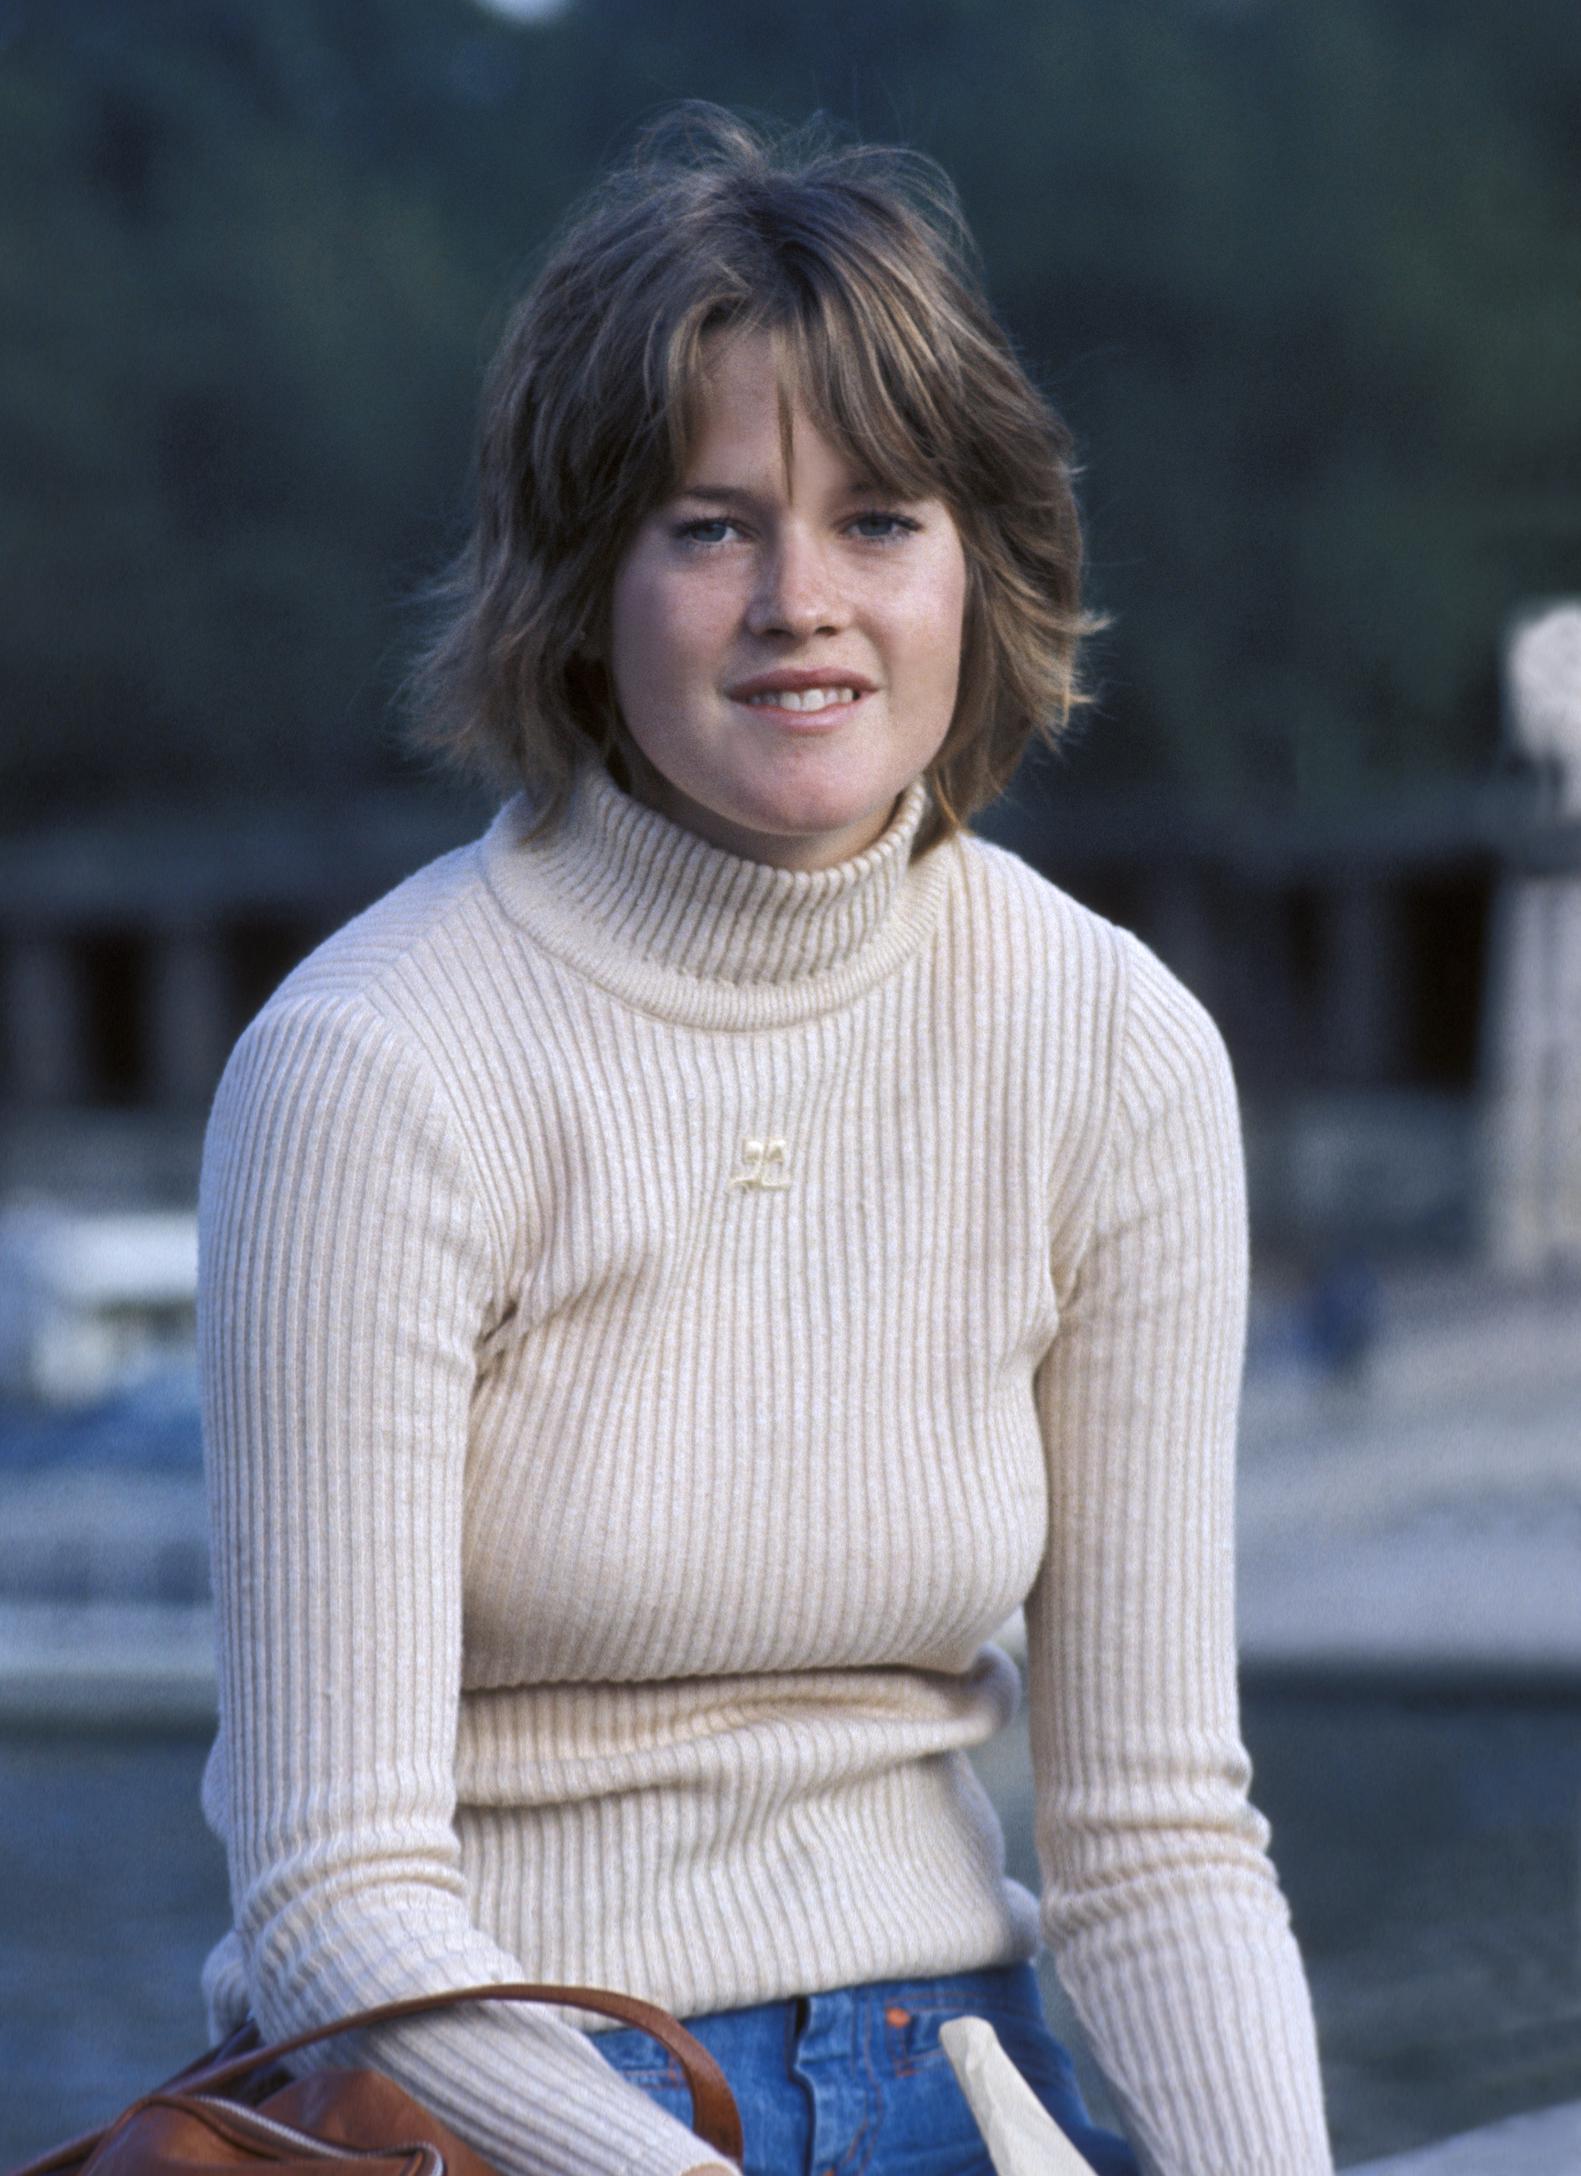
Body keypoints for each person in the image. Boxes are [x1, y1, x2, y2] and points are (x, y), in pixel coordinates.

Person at [195, 106, 1335, 2176]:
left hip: (958, 2090)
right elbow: (328, 1893)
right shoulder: (373, 1067)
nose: (801, 602)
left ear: (977, 565)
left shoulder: (1110, 1047)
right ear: (577, 582)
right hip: (486, 2102)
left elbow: (1156, 1833)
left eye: (878, 520)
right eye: (710, 525)